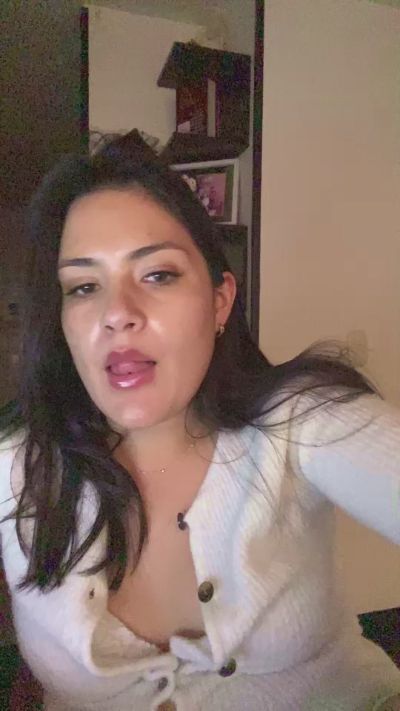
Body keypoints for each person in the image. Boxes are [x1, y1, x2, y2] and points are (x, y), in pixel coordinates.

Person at [0, 143, 399, 711]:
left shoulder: (300, 422)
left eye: (157, 274)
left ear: (219, 302)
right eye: (84, 287)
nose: (117, 313)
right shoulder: (17, 466)